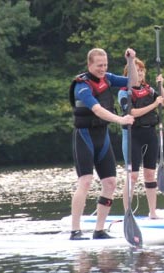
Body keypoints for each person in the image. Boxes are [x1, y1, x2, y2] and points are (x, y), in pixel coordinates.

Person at [69, 47, 138, 240]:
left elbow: (134, 82)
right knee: (86, 181)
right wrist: (121, 119)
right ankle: (75, 230)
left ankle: (99, 230)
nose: (102, 68)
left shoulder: (107, 78)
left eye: (105, 65)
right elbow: (98, 110)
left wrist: (131, 61)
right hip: (85, 137)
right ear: (90, 64)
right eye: (99, 65)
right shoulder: (81, 85)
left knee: (110, 182)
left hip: (102, 137)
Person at [118, 57, 164, 219]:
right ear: (129, 74)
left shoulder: (149, 90)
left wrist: (161, 86)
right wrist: (155, 105)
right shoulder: (124, 91)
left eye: (141, 70)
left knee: (149, 174)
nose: (139, 73)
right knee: (132, 176)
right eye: (136, 71)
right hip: (133, 135)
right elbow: (132, 113)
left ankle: (153, 212)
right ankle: (128, 212)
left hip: (150, 134)